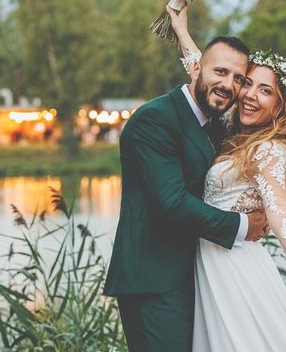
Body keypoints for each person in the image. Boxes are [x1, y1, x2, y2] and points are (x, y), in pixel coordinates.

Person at [170, 5, 286, 352]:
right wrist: (181, 30)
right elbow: (200, 70)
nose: (249, 95)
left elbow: (277, 201)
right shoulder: (233, 132)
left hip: (234, 270)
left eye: (265, 91)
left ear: (279, 106)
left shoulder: (269, 150)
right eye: (247, 84)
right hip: (211, 263)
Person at [104, 33, 271, 351]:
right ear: (195, 68)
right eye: (220, 72)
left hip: (194, 274)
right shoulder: (155, 119)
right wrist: (244, 225)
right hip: (154, 279)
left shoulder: (214, 123)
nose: (228, 84)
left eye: (238, 78)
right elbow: (172, 203)